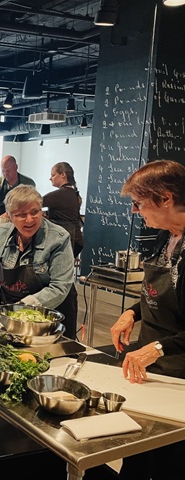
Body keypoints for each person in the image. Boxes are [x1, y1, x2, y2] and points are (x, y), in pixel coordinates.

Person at [110, 160, 185, 480]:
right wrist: (132, 311)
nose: (135, 211)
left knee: (170, 458)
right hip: (149, 362)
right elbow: (156, 291)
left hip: (178, 371)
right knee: (137, 449)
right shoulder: (165, 237)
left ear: (166, 199)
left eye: (139, 203)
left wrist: (157, 347)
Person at [0, 185, 77, 338]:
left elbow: (60, 286)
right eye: (21, 215)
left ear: (42, 211)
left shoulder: (58, 238)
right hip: (10, 314)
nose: (29, 219)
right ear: (9, 216)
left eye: (35, 212)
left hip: (48, 319)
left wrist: (21, 309)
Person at [43, 162, 83, 258]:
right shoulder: (73, 193)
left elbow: (33, 203)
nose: (50, 178)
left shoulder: (59, 195)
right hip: (75, 241)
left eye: (53, 175)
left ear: (63, 175)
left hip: (67, 241)